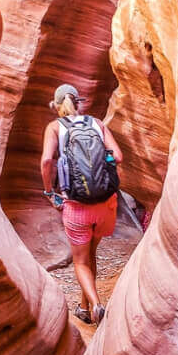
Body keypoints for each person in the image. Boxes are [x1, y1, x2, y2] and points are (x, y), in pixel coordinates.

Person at [40, 83, 124, 325]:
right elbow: (117, 156)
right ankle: (84, 308)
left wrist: (50, 192)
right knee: (91, 254)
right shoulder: (97, 124)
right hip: (106, 204)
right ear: (79, 102)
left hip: (77, 207)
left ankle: (96, 304)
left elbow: (47, 161)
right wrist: (101, 168)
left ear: (56, 106)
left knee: (80, 260)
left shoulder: (55, 127)